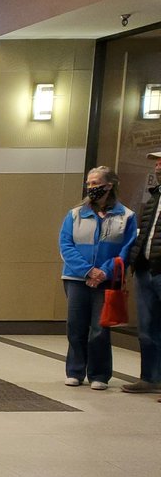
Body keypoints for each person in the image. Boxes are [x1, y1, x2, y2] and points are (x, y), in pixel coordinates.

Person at [59, 166, 137, 390]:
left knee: (100, 329)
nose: (91, 187)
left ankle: (99, 374)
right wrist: (87, 271)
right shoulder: (75, 214)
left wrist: (104, 271)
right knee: (76, 326)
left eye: (96, 183)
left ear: (109, 185)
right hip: (76, 279)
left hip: (107, 281)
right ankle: (75, 371)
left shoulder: (126, 216)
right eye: (89, 183)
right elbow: (66, 245)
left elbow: (126, 249)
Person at [124, 149, 161, 394]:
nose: (157, 167)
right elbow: (145, 233)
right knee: (146, 328)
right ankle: (149, 378)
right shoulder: (154, 198)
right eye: (157, 163)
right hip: (145, 270)